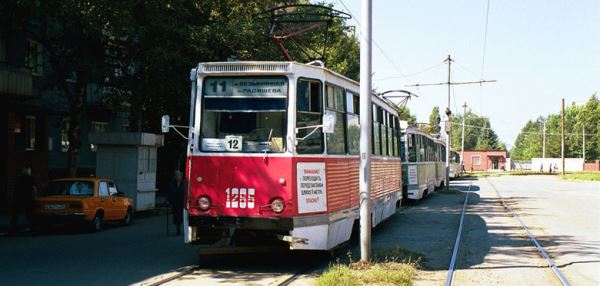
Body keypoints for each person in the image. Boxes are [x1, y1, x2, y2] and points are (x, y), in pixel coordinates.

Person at [9, 167, 37, 235]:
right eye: (30, 171)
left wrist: (13, 198)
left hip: (18, 198)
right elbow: (34, 188)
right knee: (30, 214)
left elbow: (14, 189)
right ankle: (32, 229)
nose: (30, 172)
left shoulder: (18, 178)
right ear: (28, 171)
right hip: (28, 198)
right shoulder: (31, 178)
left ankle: (13, 229)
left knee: (15, 215)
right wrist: (35, 196)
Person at [168, 170, 185, 235]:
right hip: (175, 203)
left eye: (179, 175)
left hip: (183, 203)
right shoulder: (171, 184)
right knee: (176, 217)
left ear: (181, 176)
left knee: (183, 217)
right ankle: (178, 230)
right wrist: (168, 201)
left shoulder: (185, 183)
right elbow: (168, 193)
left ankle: (186, 230)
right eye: (176, 175)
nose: (177, 177)